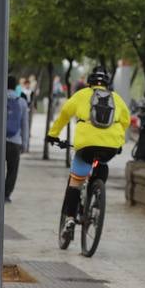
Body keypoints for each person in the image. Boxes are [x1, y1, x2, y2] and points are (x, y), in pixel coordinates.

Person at [47, 66, 130, 241]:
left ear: (90, 82)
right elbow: (126, 121)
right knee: (102, 165)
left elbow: (64, 114)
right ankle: (96, 195)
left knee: (75, 182)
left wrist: (53, 135)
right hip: (110, 148)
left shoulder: (82, 95)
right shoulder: (116, 99)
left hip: (85, 147)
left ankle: (69, 219)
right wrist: (119, 142)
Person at [5, 75, 29, 204]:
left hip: (0, 141)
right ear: (15, 86)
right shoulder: (22, 102)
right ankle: (6, 194)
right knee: (12, 170)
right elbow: (25, 125)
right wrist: (25, 144)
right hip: (15, 142)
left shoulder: (0, 98)